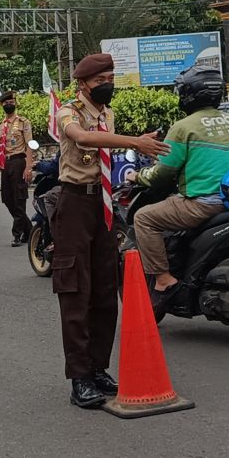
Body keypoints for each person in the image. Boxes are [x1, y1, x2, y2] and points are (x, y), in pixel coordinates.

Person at [53, 53, 170, 409]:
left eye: (111, 77)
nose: (108, 84)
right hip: (73, 204)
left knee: (105, 289)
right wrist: (135, 142)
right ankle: (79, 378)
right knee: (76, 292)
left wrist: (139, 144)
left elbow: (106, 145)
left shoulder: (108, 115)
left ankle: (98, 368)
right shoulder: (68, 112)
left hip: (103, 203)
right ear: (84, 84)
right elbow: (83, 139)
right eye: (101, 79)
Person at [125, 66, 229, 304]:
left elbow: (162, 173)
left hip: (204, 204)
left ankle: (163, 280)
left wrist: (138, 176)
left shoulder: (183, 127)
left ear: (188, 94)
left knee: (143, 218)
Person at [0, 91, 34, 247]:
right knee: (7, 199)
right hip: (5, 163)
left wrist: (28, 167)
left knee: (19, 198)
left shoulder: (23, 122)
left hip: (18, 162)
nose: (9, 104)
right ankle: (29, 229)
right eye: (6, 102)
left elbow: (30, 145)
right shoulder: (0, 125)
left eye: (11, 101)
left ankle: (17, 234)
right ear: (2, 105)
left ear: (15, 103)